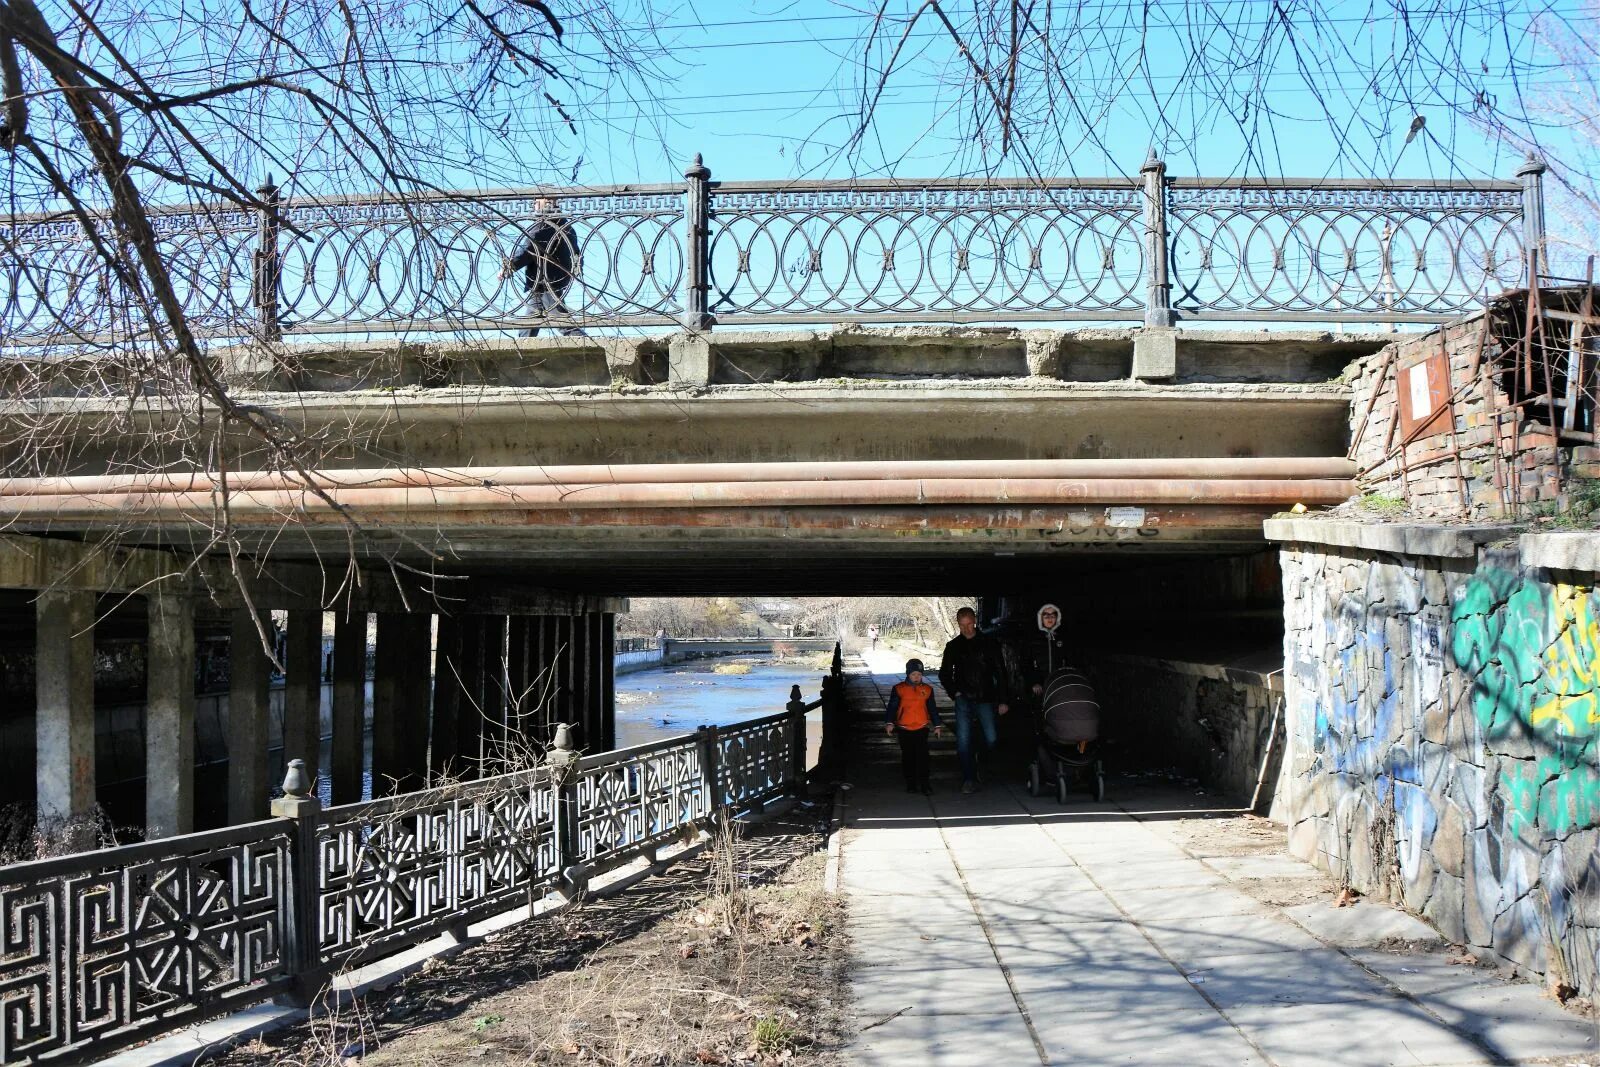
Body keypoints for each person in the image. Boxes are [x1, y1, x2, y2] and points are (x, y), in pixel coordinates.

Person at [939, 606, 1011, 794]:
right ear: (958, 624)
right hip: (963, 698)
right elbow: (944, 674)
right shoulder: (953, 646)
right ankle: (968, 778)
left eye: (969, 624)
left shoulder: (989, 644)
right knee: (963, 741)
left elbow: (1000, 673)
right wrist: (954, 692)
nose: (966, 629)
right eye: (962, 626)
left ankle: (982, 762)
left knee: (992, 738)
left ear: (974, 622)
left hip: (986, 697)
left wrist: (1003, 700)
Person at [508, 198, 585, 337]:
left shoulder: (545, 223)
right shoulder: (566, 225)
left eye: (537, 200)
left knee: (560, 319)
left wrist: (510, 265)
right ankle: (523, 350)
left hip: (546, 281)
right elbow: (577, 255)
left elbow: (529, 247)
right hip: (547, 281)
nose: (534, 204)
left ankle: (587, 345)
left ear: (549, 201)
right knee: (531, 318)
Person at [885, 658, 942, 794]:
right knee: (908, 756)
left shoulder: (927, 690)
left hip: (921, 728)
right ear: (907, 674)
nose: (916, 677)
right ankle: (911, 783)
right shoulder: (899, 689)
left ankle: (925, 784)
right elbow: (892, 707)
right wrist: (889, 722)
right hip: (904, 729)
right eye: (913, 674)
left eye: (919, 675)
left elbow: (932, 708)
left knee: (923, 757)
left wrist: (937, 725)